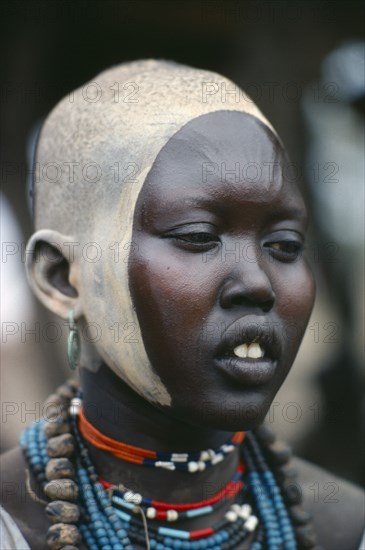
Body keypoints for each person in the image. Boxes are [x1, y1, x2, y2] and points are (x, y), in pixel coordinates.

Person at [0, 59, 363, 550]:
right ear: (62, 277)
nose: (257, 282)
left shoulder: (344, 525)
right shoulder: (13, 524)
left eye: (284, 245)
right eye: (197, 237)